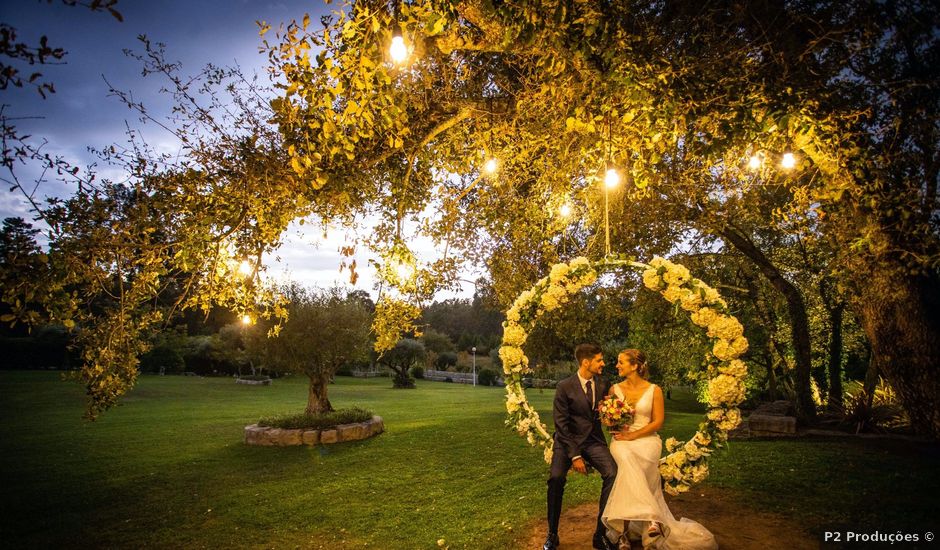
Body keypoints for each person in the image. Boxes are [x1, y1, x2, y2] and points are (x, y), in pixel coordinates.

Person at [602, 349, 717, 549]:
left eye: (621, 362)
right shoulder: (614, 389)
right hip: (621, 441)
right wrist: (612, 421)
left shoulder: (654, 390)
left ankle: (623, 534)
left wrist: (633, 435)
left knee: (636, 465)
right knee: (628, 460)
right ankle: (652, 519)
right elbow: (606, 420)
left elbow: (658, 422)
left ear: (635, 366)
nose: (617, 365)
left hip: (647, 439)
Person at [544, 343, 619, 550]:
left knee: (613, 473)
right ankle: (552, 533)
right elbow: (561, 424)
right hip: (566, 441)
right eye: (599, 360)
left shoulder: (604, 384)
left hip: (594, 441)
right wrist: (575, 456)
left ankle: (600, 534)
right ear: (586, 362)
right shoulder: (564, 386)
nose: (603, 363)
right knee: (556, 478)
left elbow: (611, 412)